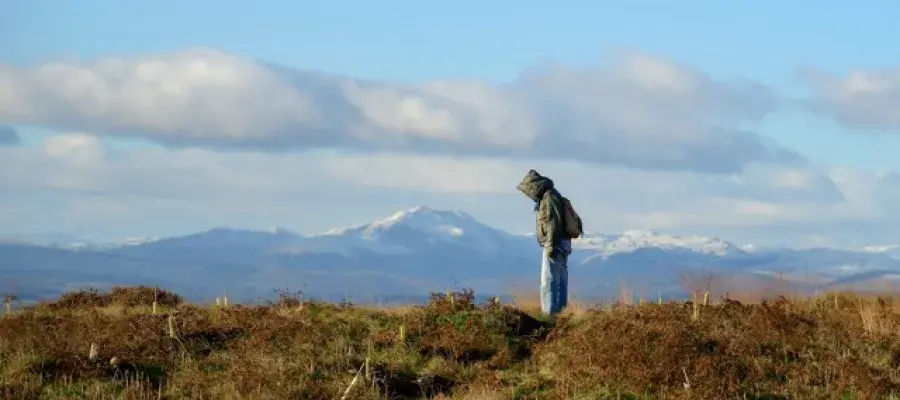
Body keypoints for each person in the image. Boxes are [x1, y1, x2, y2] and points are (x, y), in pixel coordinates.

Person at [516, 169, 572, 316]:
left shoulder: (548, 197)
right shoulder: (554, 195)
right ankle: (561, 312)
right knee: (559, 280)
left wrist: (551, 244)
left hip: (555, 243)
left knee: (549, 280)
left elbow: (553, 221)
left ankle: (549, 314)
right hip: (562, 243)